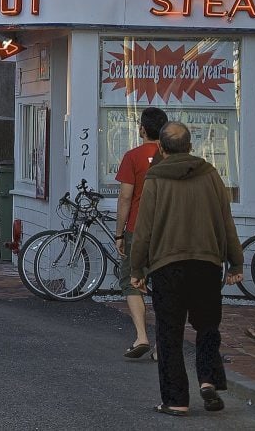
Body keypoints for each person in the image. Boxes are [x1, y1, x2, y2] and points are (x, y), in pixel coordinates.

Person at [130, 121, 243, 417]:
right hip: (207, 264)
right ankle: (208, 380)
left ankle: (177, 400)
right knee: (207, 327)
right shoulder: (210, 174)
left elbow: (144, 229)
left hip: (168, 266)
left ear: (162, 148)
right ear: (190, 146)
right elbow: (225, 220)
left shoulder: (155, 178)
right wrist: (236, 262)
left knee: (169, 334)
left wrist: (137, 269)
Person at [115, 107, 169, 359]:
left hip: (138, 229)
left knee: (132, 280)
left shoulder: (133, 156)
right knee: (165, 285)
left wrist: (119, 233)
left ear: (143, 129)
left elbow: (125, 197)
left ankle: (142, 336)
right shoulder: (174, 157)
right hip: (169, 230)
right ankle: (162, 345)